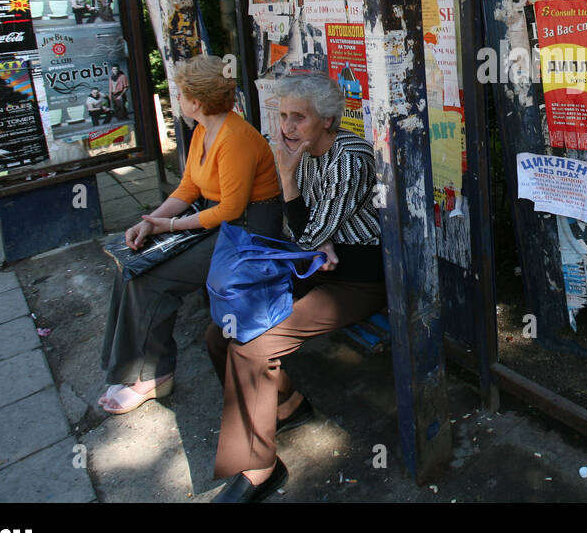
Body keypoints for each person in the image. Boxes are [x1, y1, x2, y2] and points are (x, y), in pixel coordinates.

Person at [205, 73, 385, 502]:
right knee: (220, 332)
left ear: (326, 120)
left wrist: (288, 178)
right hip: (314, 269)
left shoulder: (349, 157)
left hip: (358, 280)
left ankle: (260, 467)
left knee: (253, 349)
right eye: (283, 116)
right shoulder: (304, 150)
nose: (286, 127)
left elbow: (305, 231)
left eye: (297, 118)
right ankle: (288, 404)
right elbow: (300, 230)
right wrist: (319, 238)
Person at [98, 54, 282, 415]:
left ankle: (153, 374)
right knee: (131, 264)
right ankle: (127, 366)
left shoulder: (235, 137)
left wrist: (167, 226)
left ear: (196, 101)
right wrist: (151, 221)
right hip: (218, 222)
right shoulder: (202, 129)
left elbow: (229, 209)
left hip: (248, 231)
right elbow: (188, 188)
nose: (176, 100)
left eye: (180, 94)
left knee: (152, 280)